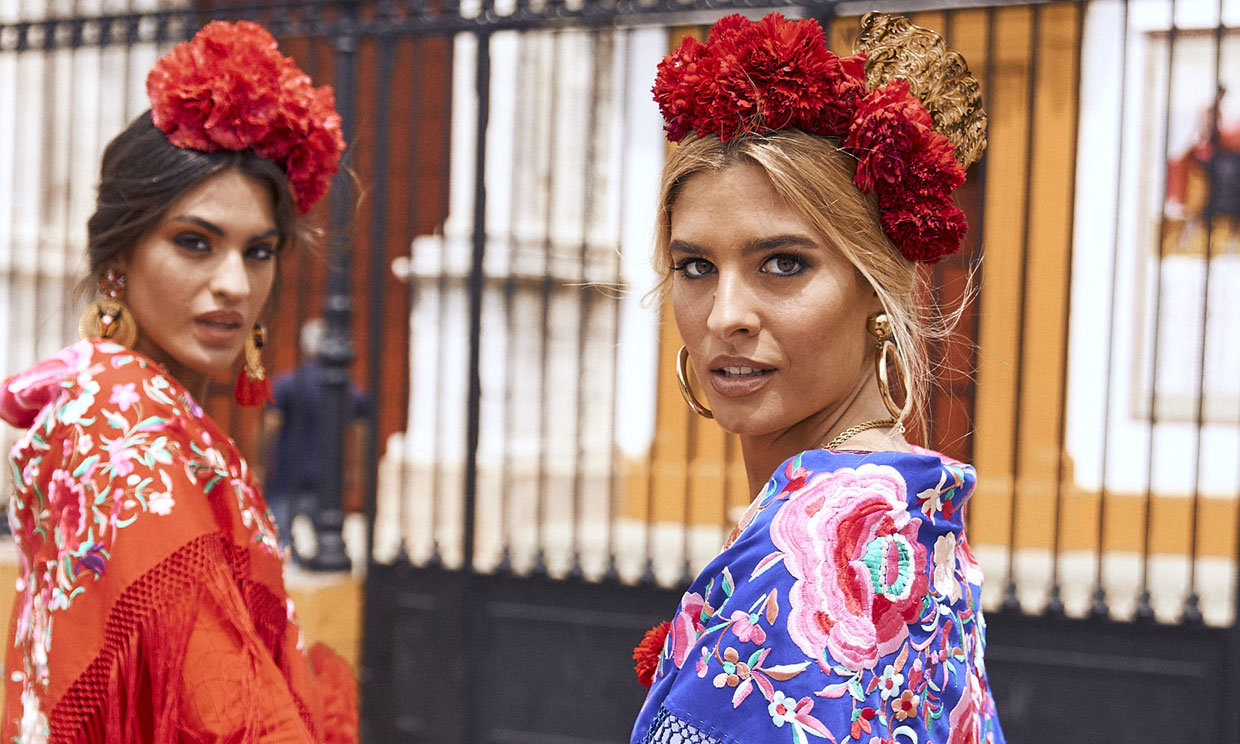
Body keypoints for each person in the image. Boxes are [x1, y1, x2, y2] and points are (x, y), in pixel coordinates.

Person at [630, 12, 1004, 744]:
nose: (724, 315)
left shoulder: (808, 552)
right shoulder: (908, 507)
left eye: (783, 263)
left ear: (877, 286)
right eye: (695, 266)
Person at [0, 21, 356, 742]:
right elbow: (223, 712)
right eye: (194, 242)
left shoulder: (94, 394)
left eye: (260, 251)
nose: (234, 284)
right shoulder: (119, 410)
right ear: (116, 262)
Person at [258, 318, 369, 558]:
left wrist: (258, 461)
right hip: (328, 475)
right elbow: (360, 432)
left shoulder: (288, 384)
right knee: (328, 540)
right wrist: (355, 469)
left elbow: (270, 427)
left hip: (287, 473)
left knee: (279, 537)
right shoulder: (347, 388)